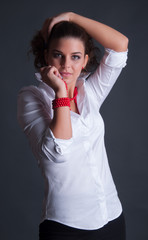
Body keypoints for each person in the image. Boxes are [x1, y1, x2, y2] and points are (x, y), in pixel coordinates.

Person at [17, 12, 128, 240]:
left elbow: (120, 46)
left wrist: (71, 17)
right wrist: (60, 92)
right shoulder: (31, 98)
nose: (67, 65)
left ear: (85, 60)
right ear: (46, 56)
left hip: (112, 215)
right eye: (58, 55)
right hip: (66, 226)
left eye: (75, 57)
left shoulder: (90, 93)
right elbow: (58, 151)